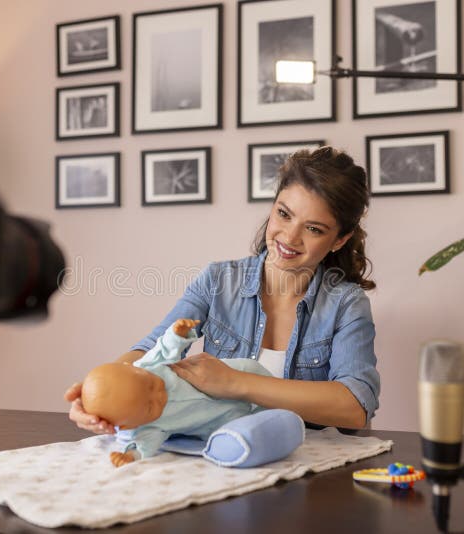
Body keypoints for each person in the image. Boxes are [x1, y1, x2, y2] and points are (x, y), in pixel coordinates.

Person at [65, 146, 379, 437]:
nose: (290, 237)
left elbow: (356, 406)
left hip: (311, 462)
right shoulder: (217, 281)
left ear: (339, 239)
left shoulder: (346, 304)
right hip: (221, 454)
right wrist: (99, 393)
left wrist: (235, 382)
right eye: (284, 214)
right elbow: (153, 348)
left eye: (313, 229)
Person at [81, 318, 281, 467]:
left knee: (250, 367)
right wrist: (130, 456)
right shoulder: (148, 427)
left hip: (230, 376)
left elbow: (164, 349)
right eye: (150, 406)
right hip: (219, 419)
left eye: (151, 385)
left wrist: (177, 334)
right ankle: (275, 421)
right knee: (238, 430)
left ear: (135, 368)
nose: (159, 396)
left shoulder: (149, 366)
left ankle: (278, 399)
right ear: (129, 424)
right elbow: (144, 444)